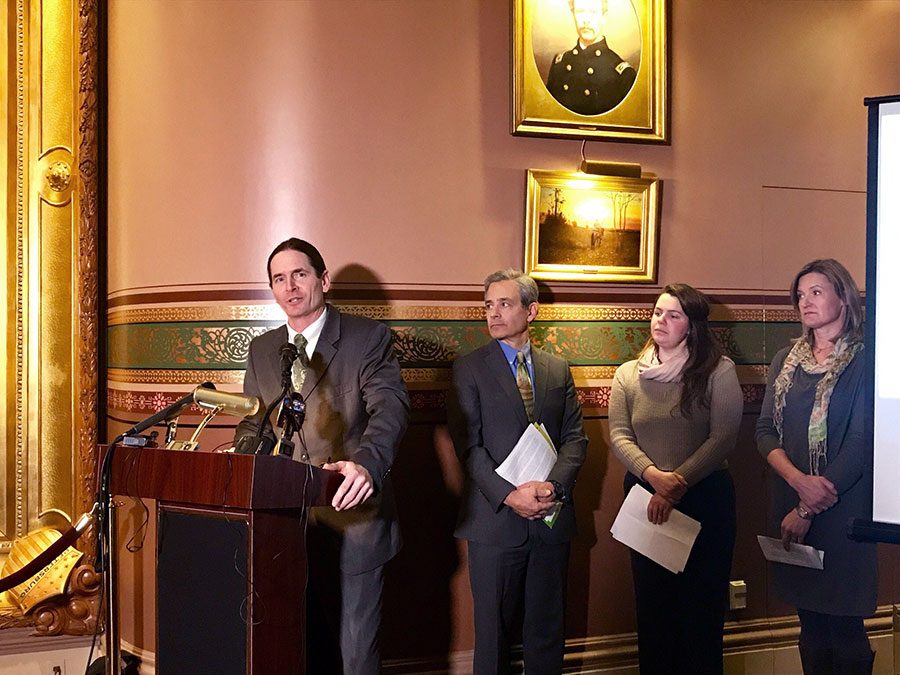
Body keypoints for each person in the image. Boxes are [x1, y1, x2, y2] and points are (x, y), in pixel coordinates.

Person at [233, 237, 409, 675]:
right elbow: (254, 424)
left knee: (354, 653)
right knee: (297, 645)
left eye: (300, 274)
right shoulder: (262, 350)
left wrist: (367, 466)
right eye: (279, 278)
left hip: (354, 516)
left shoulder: (367, 338)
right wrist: (235, 470)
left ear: (323, 280)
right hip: (284, 525)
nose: (290, 286)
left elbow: (391, 409)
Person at [448, 268, 587, 674]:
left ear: (532, 311)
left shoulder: (557, 368)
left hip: (550, 518)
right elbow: (468, 447)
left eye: (504, 304)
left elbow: (576, 439)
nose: (493, 313)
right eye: (488, 305)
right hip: (494, 523)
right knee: (492, 636)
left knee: (547, 629)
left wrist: (553, 489)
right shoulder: (469, 369)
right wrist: (511, 495)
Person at [608, 283, 743, 675]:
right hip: (644, 501)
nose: (660, 320)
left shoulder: (719, 371)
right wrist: (654, 478)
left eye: (673, 314)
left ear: (693, 325)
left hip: (705, 501)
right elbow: (619, 435)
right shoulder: (628, 374)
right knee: (654, 615)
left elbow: (723, 437)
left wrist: (676, 482)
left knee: (700, 616)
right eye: (657, 312)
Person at [756, 259, 875, 674]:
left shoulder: (866, 360)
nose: (805, 302)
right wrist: (797, 484)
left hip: (842, 512)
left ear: (843, 297)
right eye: (801, 295)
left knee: (845, 631)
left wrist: (810, 505)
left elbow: (863, 444)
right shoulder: (786, 359)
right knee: (809, 625)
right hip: (789, 506)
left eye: (817, 292)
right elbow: (765, 430)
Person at [545, 0, 637, 116]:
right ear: (573, 14)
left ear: (604, 17)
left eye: (592, 12)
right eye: (580, 11)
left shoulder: (623, 74)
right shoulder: (560, 63)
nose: (586, 20)